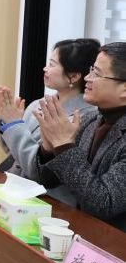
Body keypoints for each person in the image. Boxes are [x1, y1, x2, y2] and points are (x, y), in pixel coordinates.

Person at [33, 42, 126, 230]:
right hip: (76, 231)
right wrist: (48, 149)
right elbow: (48, 180)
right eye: (91, 70)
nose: (87, 78)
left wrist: (64, 146)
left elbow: (102, 203)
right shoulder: (91, 119)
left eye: (97, 73)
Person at [0, 38, 99, 179]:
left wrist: (14, 124)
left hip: (42, 191)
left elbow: (36, 168)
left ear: (73, 76)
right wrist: (7, 120)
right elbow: (11, 150)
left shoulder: (85, 117)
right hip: (13, 182)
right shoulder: (38, 104)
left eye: (52, 65)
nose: (45, 69)